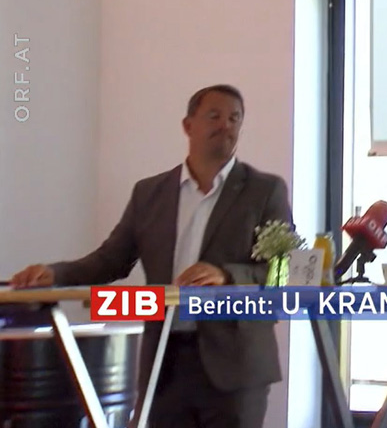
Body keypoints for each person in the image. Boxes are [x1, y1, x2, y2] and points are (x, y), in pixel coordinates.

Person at [10, 84, 292, 428]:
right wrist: (55, 274)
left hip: (236, 366)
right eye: (214, 116)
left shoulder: (265, 190)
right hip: (164, 363)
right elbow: (111, 260)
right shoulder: (150, 193)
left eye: (235, 118)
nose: (226, 125)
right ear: (188, 125)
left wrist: (226, 275)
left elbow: (283, 270)